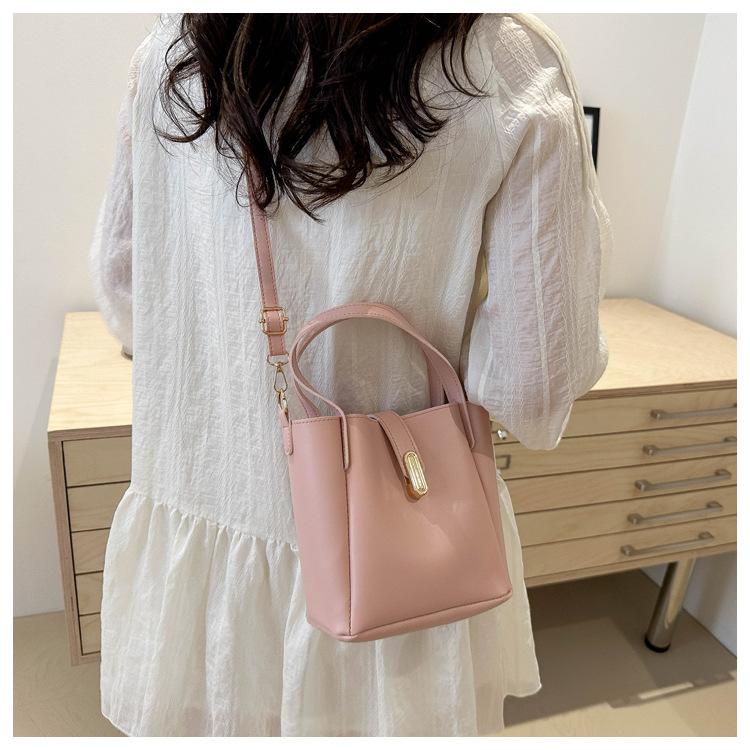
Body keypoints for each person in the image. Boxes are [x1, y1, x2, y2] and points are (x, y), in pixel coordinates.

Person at [89, 12, 611, 737]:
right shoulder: (506, 63)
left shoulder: (175, 50)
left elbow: (125, 291)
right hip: (402, 539)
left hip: (201, 545)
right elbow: (536, 385)